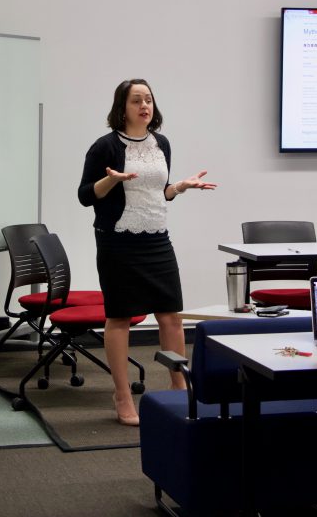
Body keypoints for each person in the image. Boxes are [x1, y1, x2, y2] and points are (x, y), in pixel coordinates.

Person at [78, 78, 216, 426]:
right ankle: (122, 396)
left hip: (156, 239)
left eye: (149, 100)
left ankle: (178, 385)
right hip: (118, 242)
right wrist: (111, 179)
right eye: (136, 100)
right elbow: (84, 196)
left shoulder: (161, 144)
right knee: (120, 317)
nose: (144, 106)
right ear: (122, 108)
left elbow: (158, 192)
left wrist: (179, 188)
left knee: (170, 315)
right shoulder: (105, 147)